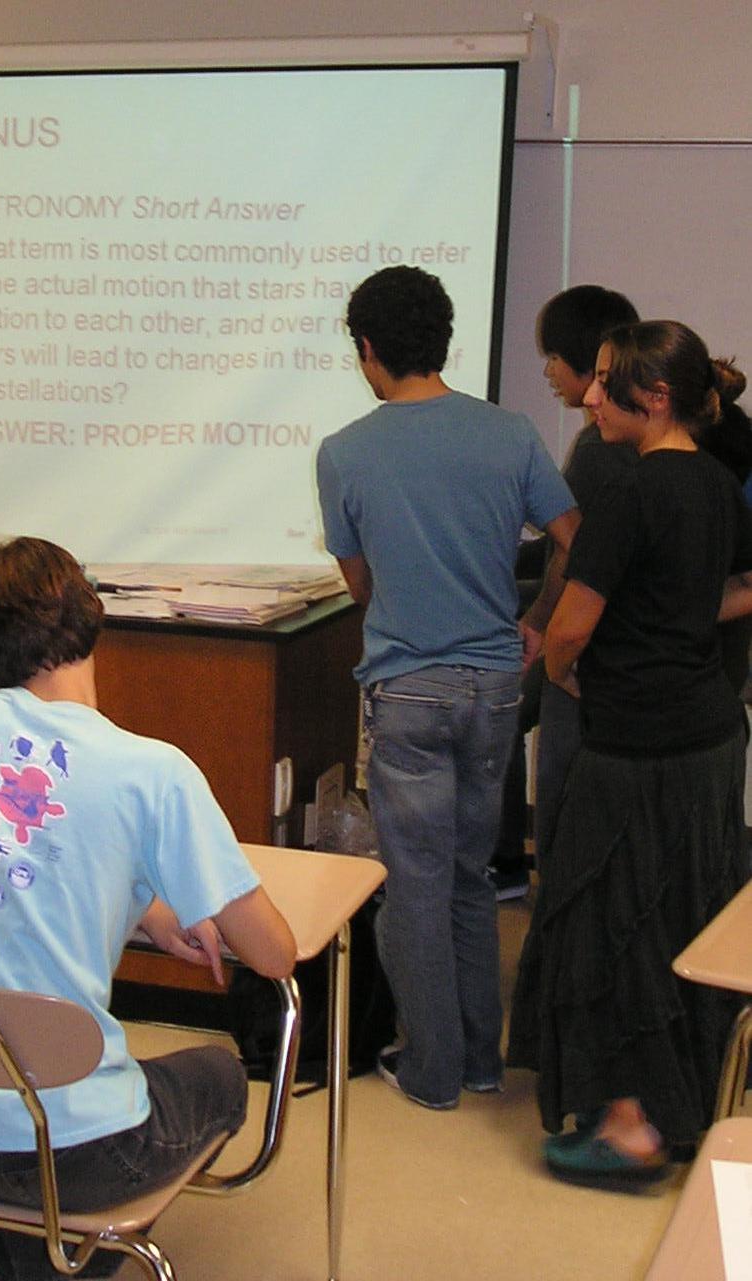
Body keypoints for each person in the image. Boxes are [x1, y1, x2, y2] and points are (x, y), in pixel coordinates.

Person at [0, 536, 296, 1281]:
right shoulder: (152, 771)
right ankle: (46, 1259)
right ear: (90, 615)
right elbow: (273, 953)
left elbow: (11, 857)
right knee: (221, 1074)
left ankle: (11, 1247)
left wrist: (146, 907)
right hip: (75, 1154)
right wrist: (179, 896)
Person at [315, 266, 579, 1111]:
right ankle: (481, 1059)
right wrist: (538, 616)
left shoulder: (345, 451)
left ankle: (431, 1069)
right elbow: (574, 535)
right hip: (496, 686)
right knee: (470, 874)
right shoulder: (510, 433)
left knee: (415, 883)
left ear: (367, 348)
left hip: (408, 687)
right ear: (444, 339)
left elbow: (360, 584)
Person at [509, 321, 752, 1187]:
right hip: (709, 737)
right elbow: (723, 591)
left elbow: (570, 627)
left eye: (608, 381)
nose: (590, 396)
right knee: (688, 914)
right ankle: (682, 1105)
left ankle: (629, 1125)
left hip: (635, 747)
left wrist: (562, 669)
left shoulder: (628, 492)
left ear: (655, 397)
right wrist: (671, 624)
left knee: (610, 921)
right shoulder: (717, 481)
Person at [522, 285, 642, 877]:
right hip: (627, 646)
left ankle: (543, 889)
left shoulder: (600, 448)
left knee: (562, 786)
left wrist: (541, 628)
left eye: (554, 358)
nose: (548, 372)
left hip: (590, 644)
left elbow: (574, 555)